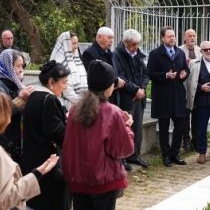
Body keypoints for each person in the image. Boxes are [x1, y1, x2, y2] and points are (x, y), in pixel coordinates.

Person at [62, 61, 134, 210]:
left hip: (78, 180)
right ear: (108, 86)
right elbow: (123, 149)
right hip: (103, 181)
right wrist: (127, 126)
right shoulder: (111, 112)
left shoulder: (75, 109)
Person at [21, 61, 71, 210]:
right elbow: (57, 132)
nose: (65, 87)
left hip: (34, 162)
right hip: (47, 166)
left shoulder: (34, 96)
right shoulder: (49, 100)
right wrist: (70, 126)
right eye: (63, 82)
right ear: (51, 82)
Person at [147, 27, 190, 167]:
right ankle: (165, 155)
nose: (172, 38)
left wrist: (184, 74)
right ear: (162, 38)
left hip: (178, 95)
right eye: (169, 36)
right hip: (162, 95)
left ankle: (175, 153)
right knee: (164, 127)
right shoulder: (155, 54)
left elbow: (185, 69)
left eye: (173, 36)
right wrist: (165, 75)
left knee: (180, 124)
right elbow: (150, 73)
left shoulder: (180, 52)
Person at [0, 49, 34, 162]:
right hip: (2, 145)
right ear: (8, 66)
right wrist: (21, 99)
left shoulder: (13, 84)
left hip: (12, 142)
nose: (21, 70)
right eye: (18, 66)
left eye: (22, 67)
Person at [112, 29, 150, 168]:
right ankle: (123, 159)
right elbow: (120, 76)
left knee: (137, 128)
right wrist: (135, 90)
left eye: (138, 44)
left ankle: (135, 155)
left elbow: (146, 73)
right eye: (134, 44)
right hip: (126, 97)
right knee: (124, 128)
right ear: (126, 43)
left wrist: (142, 89)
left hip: (139, 97)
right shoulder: (117, 54)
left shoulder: (138, 54)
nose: (136, 47)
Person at [81, 26, 125, 107]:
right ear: (99, 37)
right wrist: (116, 81)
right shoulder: (89, 53)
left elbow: (117, 69)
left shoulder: (110, 53)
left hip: (112, 94)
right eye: (109, 38)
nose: (111, 41)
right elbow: (94, 75)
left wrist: (119, 79)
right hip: (99, 97)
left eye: (112, 38)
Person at [50, 31, 88, 110]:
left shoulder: (76, 60)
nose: (76, 46)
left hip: (80, 104)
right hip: (66, 105)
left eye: (77, 43)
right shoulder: (58, 63)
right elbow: (66, 89)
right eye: (73, 43)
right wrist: (82, 101)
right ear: (65, 44)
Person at [181, 29, 201, 151]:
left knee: (197, 116)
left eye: (194, 36)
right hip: (183, 87)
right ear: (185, 37)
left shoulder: (200, 50)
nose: (192, 38)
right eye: (189, 36)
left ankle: (196, 141)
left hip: (197, 88)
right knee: (184, 116)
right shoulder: (179, 50)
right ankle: (186, 140)